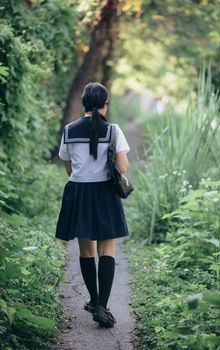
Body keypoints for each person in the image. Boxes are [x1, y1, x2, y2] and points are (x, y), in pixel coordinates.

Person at [55, 82, 130, 328]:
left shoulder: (69, 130)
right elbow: (122, 168)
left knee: (86, 251)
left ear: (85, 104)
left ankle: (94, 299)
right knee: (107, 250)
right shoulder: (114, 131)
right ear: (104, 105)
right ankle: (102, 307)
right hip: (105, 194)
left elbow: (68, 167)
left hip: (79, 193)